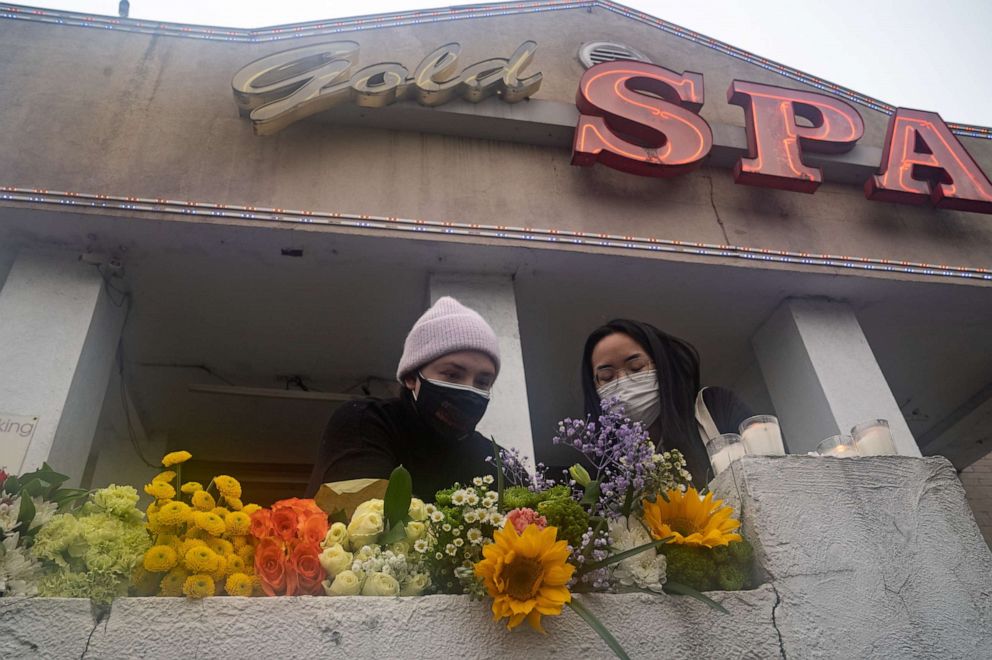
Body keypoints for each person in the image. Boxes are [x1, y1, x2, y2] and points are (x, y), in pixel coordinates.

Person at [306, 297, 500, 500]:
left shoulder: (496, 460)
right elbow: (361, 521)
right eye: (452, 375)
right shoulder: (367, 423)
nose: (468, 390)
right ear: (411, 377)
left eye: (482, 382)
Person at [580, 319, 753, 486]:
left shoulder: (716, 407)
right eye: (607, 377)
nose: (623, 382)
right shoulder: (609, 467)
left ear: (660, 364)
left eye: (637, 367)